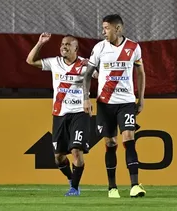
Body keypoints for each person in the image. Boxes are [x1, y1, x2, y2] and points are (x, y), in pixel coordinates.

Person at [82, 14, 146, 198]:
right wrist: (86, 98)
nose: (103, 31)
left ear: (117, 29)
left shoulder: (133, 47)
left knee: (128, 138)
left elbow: (140, 72)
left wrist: (141, 98)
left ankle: (135, 185)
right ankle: (112, 188)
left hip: (126, 102)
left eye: (106, 28)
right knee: (110, 142)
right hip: (105, 103)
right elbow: (88, 75)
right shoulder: (99, 48)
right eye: (103, 28)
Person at [26, 33, 92, 196]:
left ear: (76, 48)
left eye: (68, 44)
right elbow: (30, 61)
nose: (64, 46)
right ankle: (71, 180)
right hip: (59, 114)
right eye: (62, 44)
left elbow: (101, 76)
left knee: (77, 150)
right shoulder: (54, 63)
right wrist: (40, 43)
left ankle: (75, 188)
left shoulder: (85, 65)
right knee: (59, 157)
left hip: (79, 113)